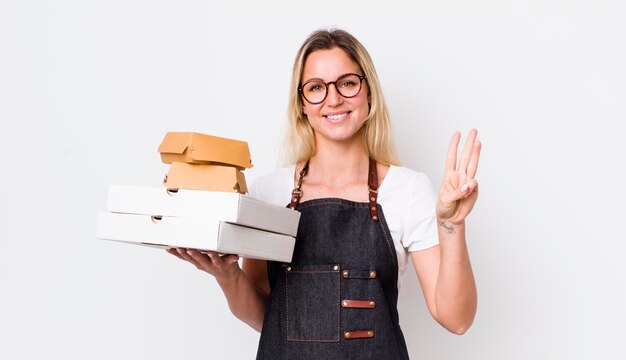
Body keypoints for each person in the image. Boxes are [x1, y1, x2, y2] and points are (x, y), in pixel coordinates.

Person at [167, 28, 481, 359]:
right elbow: (267, 318)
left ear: (369, 93)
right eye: (316, 88)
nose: (333, 99)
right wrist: (227, 275)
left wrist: (454, 226)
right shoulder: (268, 192)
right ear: (302, 103)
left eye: (347, 83)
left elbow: (456, 319)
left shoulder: (408, 190)